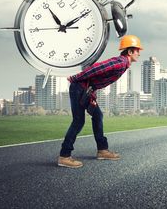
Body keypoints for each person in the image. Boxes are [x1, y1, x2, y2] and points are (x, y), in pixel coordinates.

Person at [57, 35, 143, 168]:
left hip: (86, 90)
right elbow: (96, 68)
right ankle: (64, 156)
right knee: (78, 121)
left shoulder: (124, 64)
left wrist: (92, 96)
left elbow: (95, 80)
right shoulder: (120, 62)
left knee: (97, 115)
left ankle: (102, 150)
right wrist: (76, 77)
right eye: (137, 50)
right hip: (79, 87)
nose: (139, 53)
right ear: (130, 52)